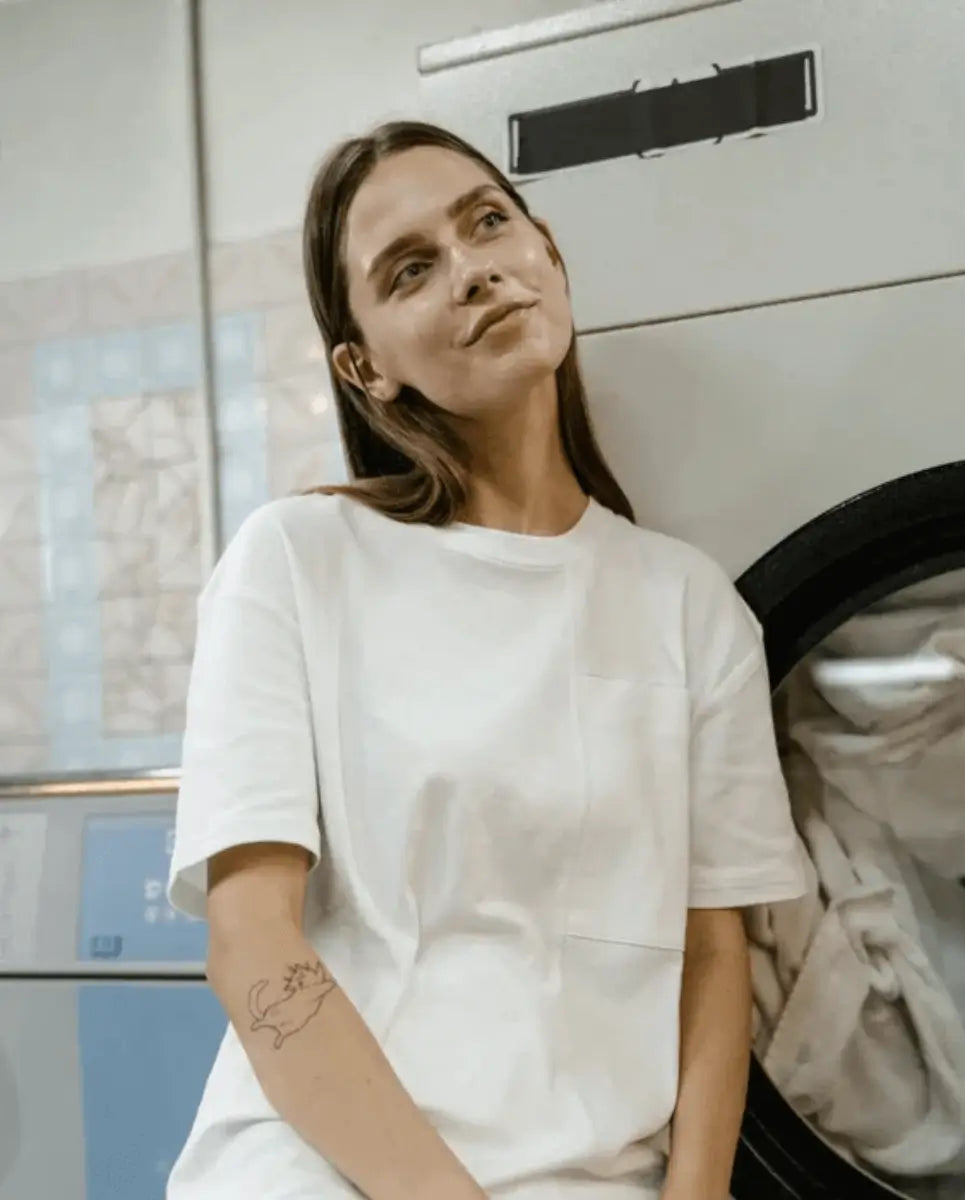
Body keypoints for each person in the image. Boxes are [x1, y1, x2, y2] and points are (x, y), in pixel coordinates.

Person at [165, 120, 812, 1200]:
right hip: (315, 1167)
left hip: (588, 1176)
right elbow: (250, 939)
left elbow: (713, 956)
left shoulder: (687, 604)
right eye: (411, 269)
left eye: (488, 223)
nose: (473, 271)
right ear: (363, 365)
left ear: (546, 252)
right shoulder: (298, 560)